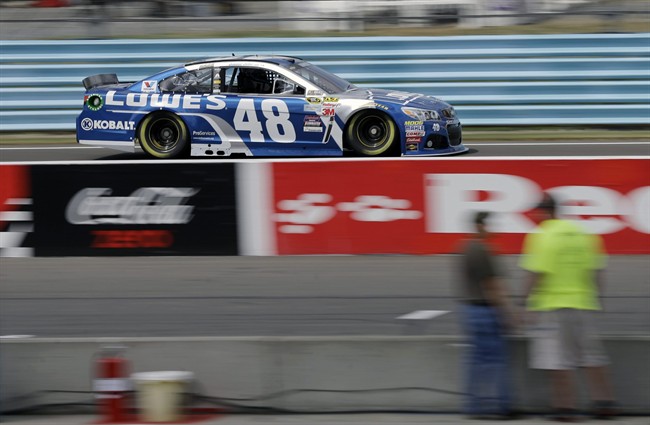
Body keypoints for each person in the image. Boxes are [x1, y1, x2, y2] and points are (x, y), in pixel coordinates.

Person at [520, 193, 617, 422]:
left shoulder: (542, 235)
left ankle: (565, 408)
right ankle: (605, 404)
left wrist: (524, 302)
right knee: (592, 357)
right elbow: (598, 270)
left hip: (553, 306)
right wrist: (598, 298)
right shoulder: (583, 234)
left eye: (537, 212)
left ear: (544, 212)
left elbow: (536, 273)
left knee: (557, 361)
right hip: (584, 303)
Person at [458, 211, 517, 419]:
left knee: (476, 361)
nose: (494, 228)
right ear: (480, 226)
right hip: (485, 311)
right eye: (491, 224)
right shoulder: (483, 250)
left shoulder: (465, 248)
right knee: (497, 360)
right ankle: (501, 405)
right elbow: (492, 286)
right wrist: (507, 314)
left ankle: (474, 405)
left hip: (469, 309)